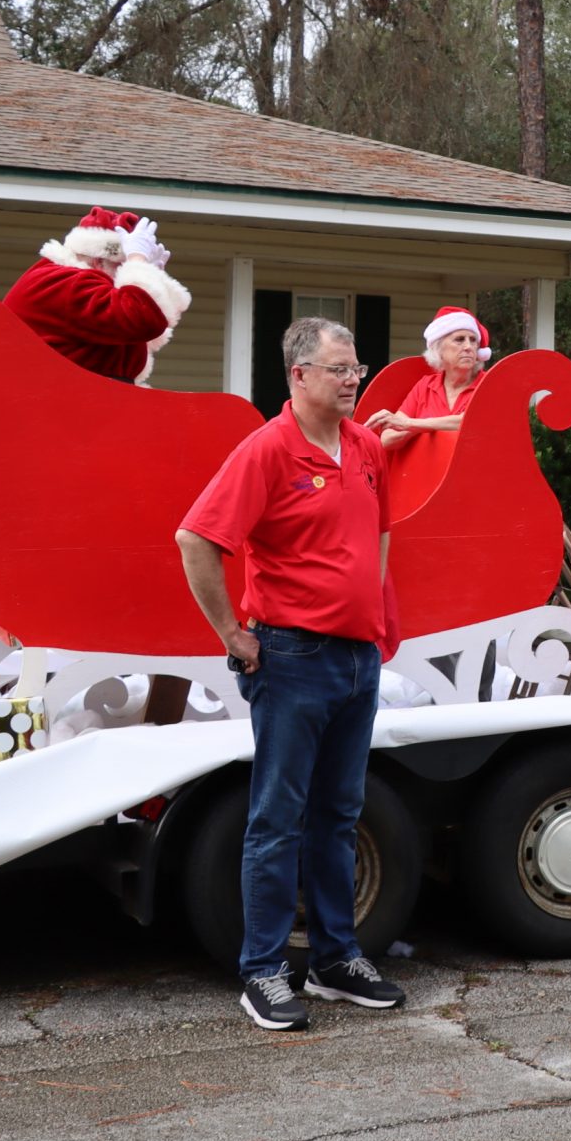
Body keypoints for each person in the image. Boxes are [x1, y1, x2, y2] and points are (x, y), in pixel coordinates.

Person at [174, 318, 405, 1031]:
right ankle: (264, 972)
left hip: (357, 658)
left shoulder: (365, 444)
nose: (353, 377)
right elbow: (195, 539)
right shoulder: (267, 451)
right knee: (277, 821)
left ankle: (336, 959)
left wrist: (375, 609)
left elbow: (381, 529)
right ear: (298, 375)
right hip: (293, 658)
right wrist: (233, 636)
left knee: (338, 815)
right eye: (338, 367)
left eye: (356, 366)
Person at [7, 203, 195, 725]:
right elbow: (136, 317)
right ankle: (174, 624)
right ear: (99, 258)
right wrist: (141, 268)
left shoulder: (63, 287)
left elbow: (135, 339)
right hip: (66, 460)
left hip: (82, 449)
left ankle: (172, 653)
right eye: (118, 268)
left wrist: (144, 273)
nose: (120, 281)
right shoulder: (55, 284)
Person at [4, 204, 191, 385]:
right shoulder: (64, 281)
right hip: (59, 401)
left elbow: (142, 333)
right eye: (122, 266)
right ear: (98, 260)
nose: (125, 276)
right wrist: (137, 261)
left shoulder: (67, 279)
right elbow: (139, 319)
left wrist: (151, 275)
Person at [368, 305, 490, 516]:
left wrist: (414, 423)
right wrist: (415, 428)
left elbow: (470, 422)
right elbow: (387, 439)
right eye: (459, 340)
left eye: (473, 340)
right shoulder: (425, 386)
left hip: (471, 498)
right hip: (420, 496)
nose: (469, 346)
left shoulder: (488, 385)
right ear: (439, 348)